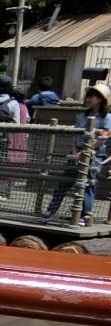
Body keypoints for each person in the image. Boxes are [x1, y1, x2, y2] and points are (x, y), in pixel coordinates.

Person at [44, 82, 110, 225]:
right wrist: (75, 151)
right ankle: (50, 211)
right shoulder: (82, 116)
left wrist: (86, 151)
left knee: (88, 185)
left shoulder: (107, 118)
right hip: (76, 153)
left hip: (94, 155)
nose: (89, 99)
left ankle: (85, 216)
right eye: (88, 96)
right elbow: (75, 135)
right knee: (64, 183)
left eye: (92, 96)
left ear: (100, 99)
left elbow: (103, 138)